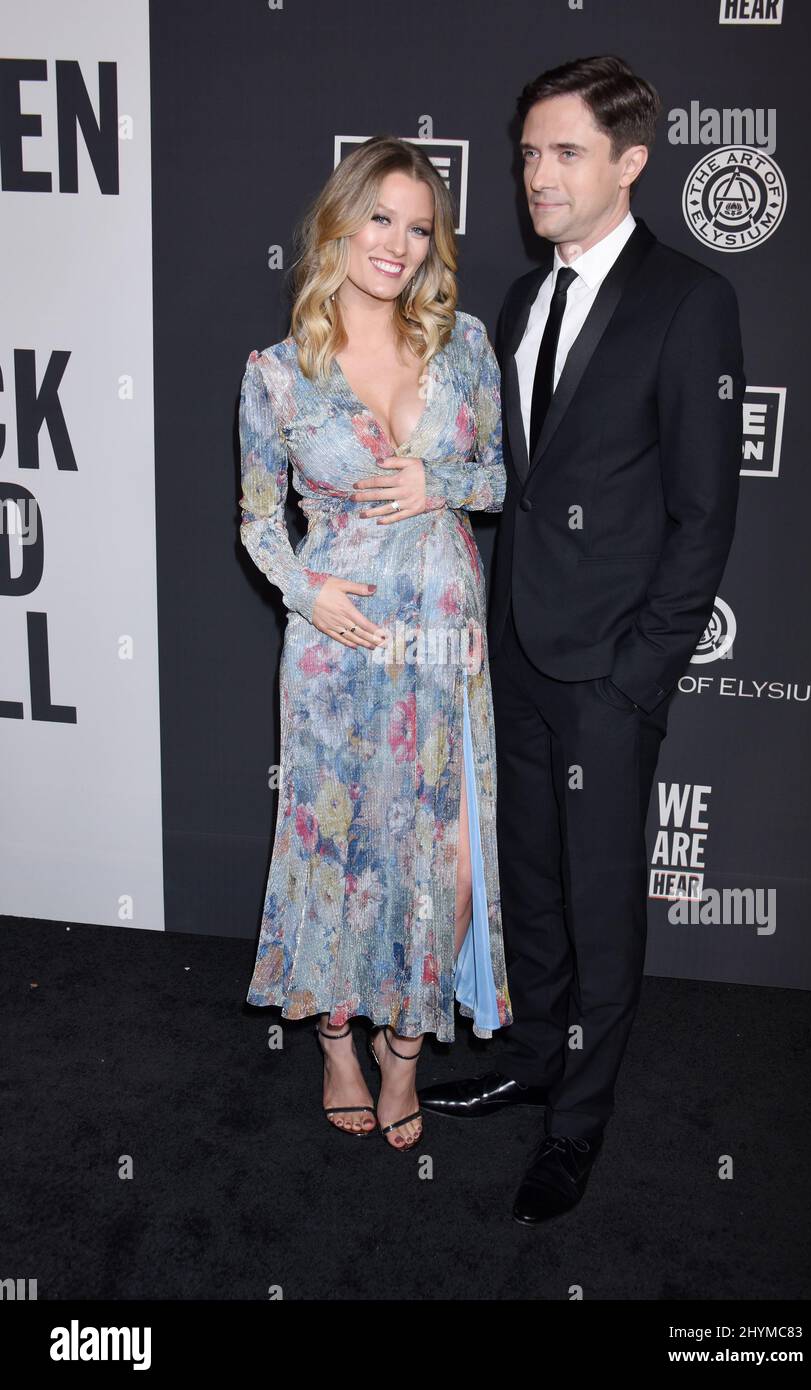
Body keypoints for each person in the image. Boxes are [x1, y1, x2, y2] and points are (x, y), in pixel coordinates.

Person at [419, 56, 746, 1221]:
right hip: (515, 646)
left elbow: (705, 512)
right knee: (535, 882)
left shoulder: (688, 301)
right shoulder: (517, 300)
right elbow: (524, 476)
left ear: (630, 163)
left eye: (563, 153)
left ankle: (578, 1123)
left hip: (609, 667)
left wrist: (640, 671)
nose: (534, 175)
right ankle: (532, 1059)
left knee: (602, 898)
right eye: (526, 152)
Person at [238, 136, 511, 1152]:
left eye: (418, 224)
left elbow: (494, 480)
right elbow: (261, 521)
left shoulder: (464, 345)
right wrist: (307, 594)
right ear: (338, 225)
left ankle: (408, 1050)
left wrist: (441, 484)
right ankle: (340, 1044)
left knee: (431, 850)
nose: (397, 243)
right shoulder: (276, 376)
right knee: (339, 848)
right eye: (380, 218)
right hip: (334, 653)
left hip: (442, 647)